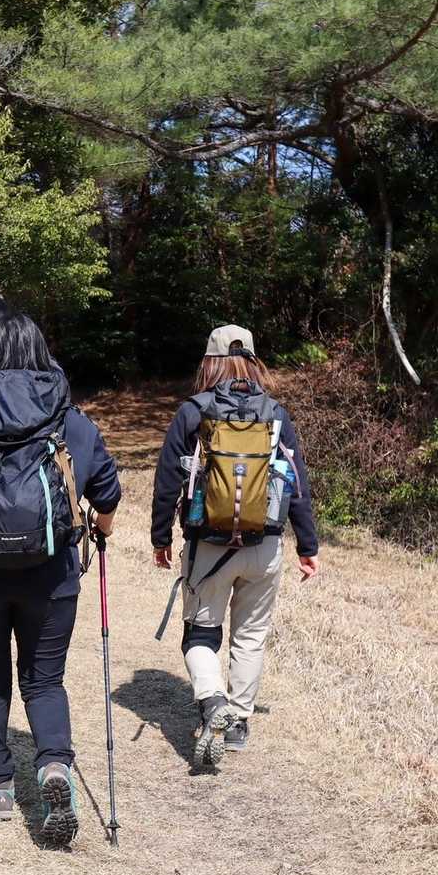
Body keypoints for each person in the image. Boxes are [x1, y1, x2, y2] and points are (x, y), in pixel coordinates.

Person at [0, 313, 121, 847]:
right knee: (44, 679)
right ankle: (54, 766)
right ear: (41, 352)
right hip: (52, 575)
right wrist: (100, 529)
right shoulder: (69, 419)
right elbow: (107, 491)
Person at [151, 325, 319, 769]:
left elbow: (167, 479)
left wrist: (160, 537)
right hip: (265, 545)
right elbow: (296, 482)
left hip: (208, 545)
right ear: (253, 361)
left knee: (201, 633)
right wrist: (307, 545)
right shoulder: (275, 413)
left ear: (210, 361)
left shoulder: (194, 411)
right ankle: (239, 722)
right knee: (251, 635)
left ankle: (211, 701)